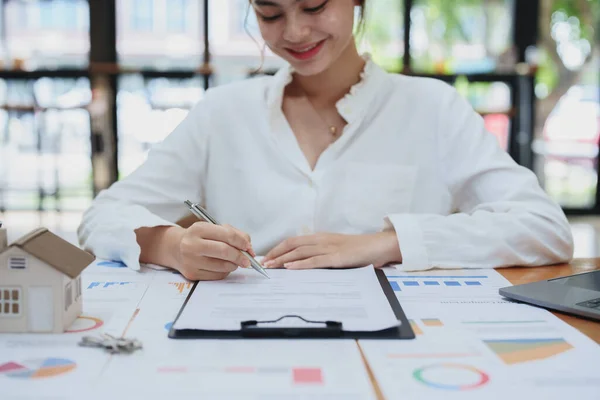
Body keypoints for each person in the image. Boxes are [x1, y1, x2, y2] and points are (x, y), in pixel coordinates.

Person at [77, 0, 574, 281]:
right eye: (270, 14)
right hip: (247, 346)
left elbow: (544, 228)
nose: (294, 32)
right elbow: (102, 216)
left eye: (314, 5)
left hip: (402, 351)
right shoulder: (222, 113)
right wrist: (171, 244)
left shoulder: (432, 106)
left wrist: (387, 244)